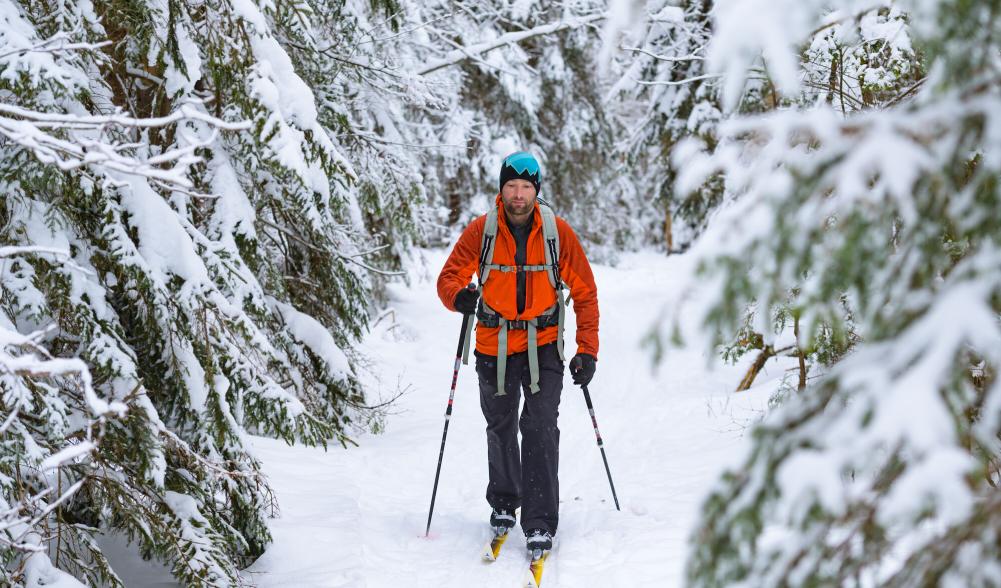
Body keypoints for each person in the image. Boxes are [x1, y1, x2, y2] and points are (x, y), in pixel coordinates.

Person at [436, 151, 599, 553]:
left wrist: (587, 350)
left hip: (544, 346)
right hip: (494, 345)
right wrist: (459, 297)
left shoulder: (558, 233)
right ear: (501, 189)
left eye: (526, 187)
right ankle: (505, 503)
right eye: (512, 186)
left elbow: (585, 293)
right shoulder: (482, 231)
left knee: (541, 428)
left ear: (536, 190)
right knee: (501, 426)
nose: (519, 195)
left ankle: (540, 521)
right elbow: (449, 276)